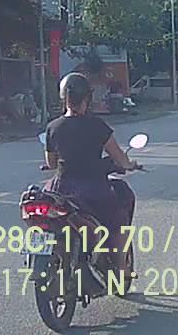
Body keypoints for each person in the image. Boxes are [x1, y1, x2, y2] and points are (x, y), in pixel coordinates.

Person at [43, 72, 139, 284]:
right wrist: (129, 164)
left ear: (63, 97)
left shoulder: (53, 127)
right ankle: (121, 268)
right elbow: (119, 158)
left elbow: (51, 163)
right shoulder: (97, 126)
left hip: (61, 189)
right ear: (87, 97)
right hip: (94, 190)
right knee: (118, 221)